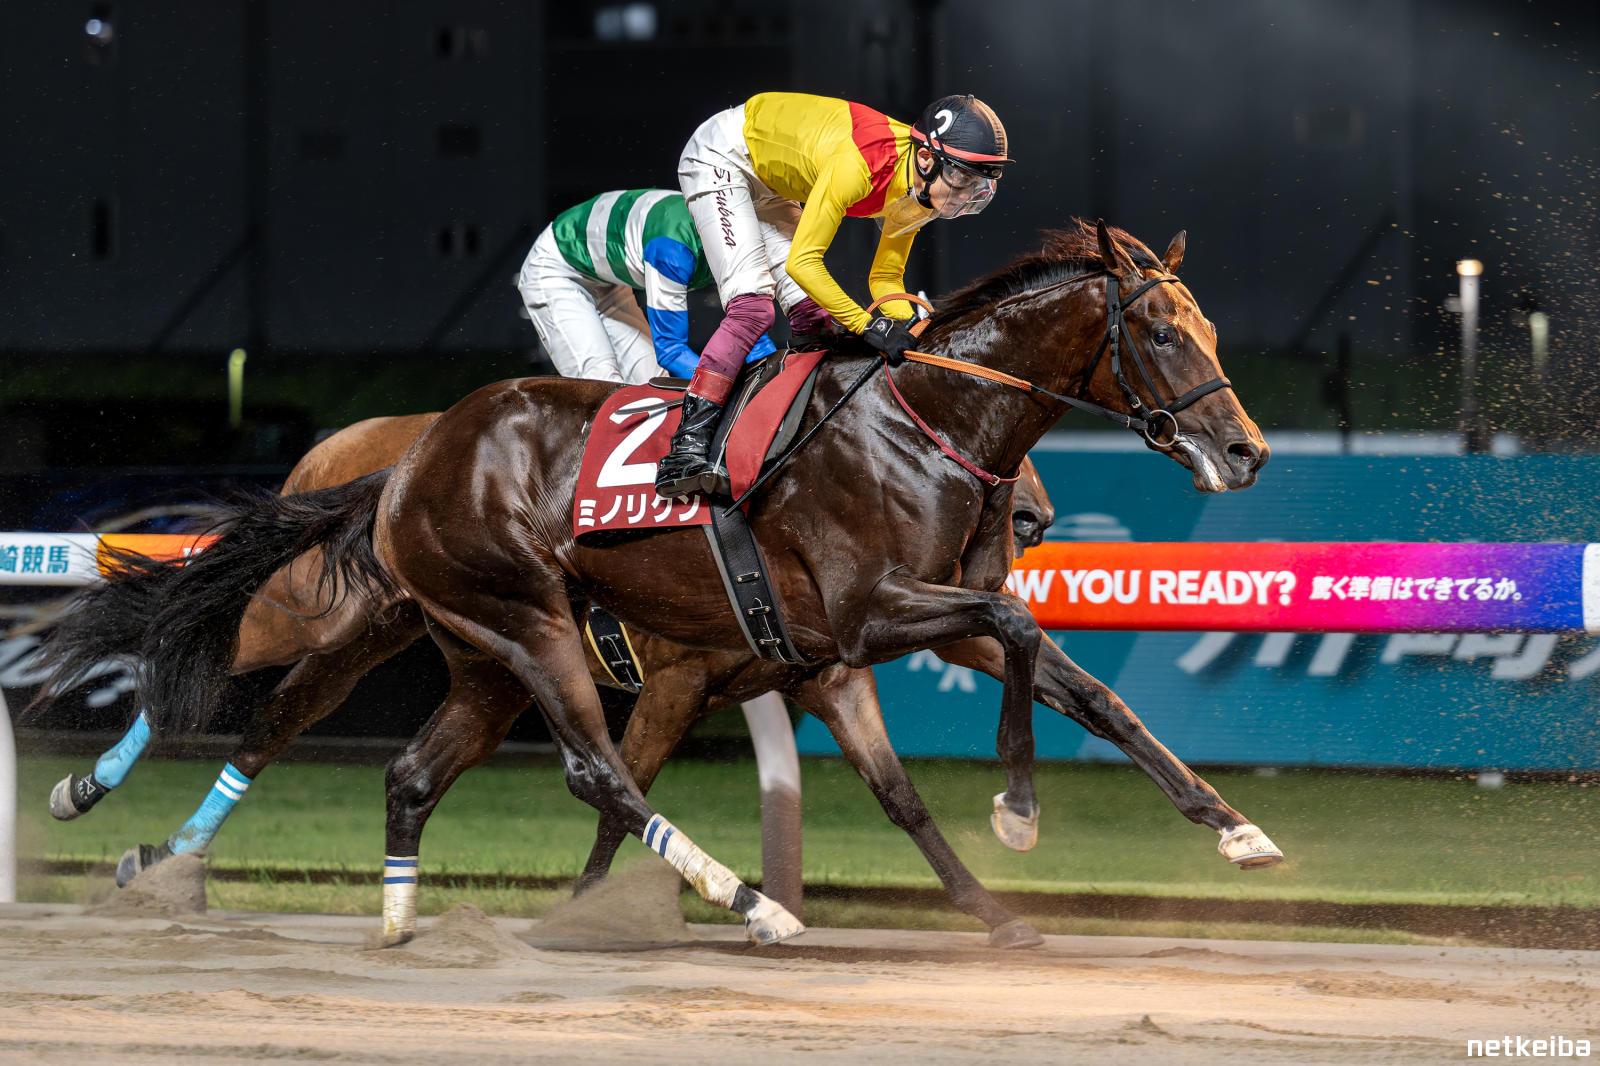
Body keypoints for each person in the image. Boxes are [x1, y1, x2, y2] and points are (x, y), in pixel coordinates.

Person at [655, 92, 1012, 497]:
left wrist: (914, 328)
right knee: (754, 309)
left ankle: (790, 429)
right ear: (927, 159)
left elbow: (886, 278)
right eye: (963, 178)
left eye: (979, 182)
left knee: (813, 315)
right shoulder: (859, 165)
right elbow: (803, 263)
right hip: (723, 157)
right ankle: (685, 448)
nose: (967, 195)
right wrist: (867, 325)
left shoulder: (923, 190)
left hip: (771, 177)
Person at [516, 189, 776, 385]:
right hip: (556, 267)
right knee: (601, 383)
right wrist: (722, 386)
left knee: (652, 383)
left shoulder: (741, 244)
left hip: (608, 278)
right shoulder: (673, 250)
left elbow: (750, 331)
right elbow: (671, 350)